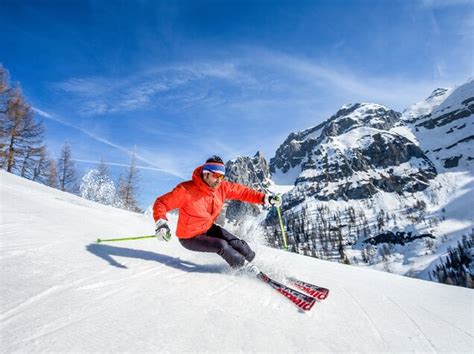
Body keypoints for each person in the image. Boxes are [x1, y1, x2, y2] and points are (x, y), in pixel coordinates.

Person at [152, 155, 281, 273]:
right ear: (206, 173)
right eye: (216, 176)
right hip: (189, 237)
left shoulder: (221, 187)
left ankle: (255, 264)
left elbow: (243, 192)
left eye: (222, 176)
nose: (219, 180)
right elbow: (161, 203)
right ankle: (245, 270)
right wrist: (161, 223)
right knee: (222, 245)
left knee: (237, 244)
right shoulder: (186, 190)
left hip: (208, 228)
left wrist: (266, 199)